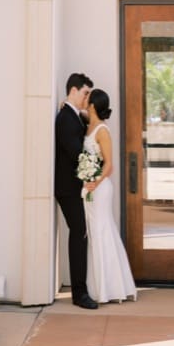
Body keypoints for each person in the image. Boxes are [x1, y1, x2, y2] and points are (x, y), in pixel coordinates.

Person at [81, 88, 137, 304]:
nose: (85, 100)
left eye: (88, 97)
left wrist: (95, 181)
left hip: (100, 188)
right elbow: (80, 113)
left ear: (93, 105)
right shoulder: (89, 124)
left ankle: (110, 288)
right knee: (94, 233)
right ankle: (99, 286)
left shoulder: (102, 130)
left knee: (102, 231)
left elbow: (109, 164)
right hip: (89, 187)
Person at [54, 71, 97, 309]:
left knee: (81, 234)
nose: (87, 98)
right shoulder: (64, 118)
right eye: (85, 93)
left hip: (75, 187)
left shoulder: (73, 115)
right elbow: (75, 153)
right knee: (79, 233)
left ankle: (81, 289)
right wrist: (92, 175)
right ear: (73, 90)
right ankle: (79, 294)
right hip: (68, 189)